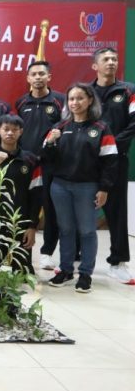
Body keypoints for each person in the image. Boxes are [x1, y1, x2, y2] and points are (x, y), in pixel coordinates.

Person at [44, 83, 118, 293]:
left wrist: (104, 188)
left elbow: (110, 161)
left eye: (80, 98)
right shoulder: (60, 127)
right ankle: (66, 270)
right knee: (66, 229)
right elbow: (47, 158)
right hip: (59, 186)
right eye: (72, 99)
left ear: (90, 100)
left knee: (86, 231)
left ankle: (85, 274)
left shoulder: (101, 128)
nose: (75, 103)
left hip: (87, 187)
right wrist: (50, 143)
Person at [89, 47, 135, 284]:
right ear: (95, 66)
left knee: (117, 212)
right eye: (105, 59)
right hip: (88, 161)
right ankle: (77, 259)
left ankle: (118, 262)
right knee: (82, 210)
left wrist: (112, 145)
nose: (111, 62)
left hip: (116, 159)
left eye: (114, 59)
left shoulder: (129, 90)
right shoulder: (87, 92)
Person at [0, 115, 43, 273]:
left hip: (18, 222)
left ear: (21, 132)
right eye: (6, 129)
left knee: (23, 274)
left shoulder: (31, 160)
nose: (10, 133)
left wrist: (32, 226)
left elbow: (36, 194)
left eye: (15, 130)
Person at [14, 61, 65, 270]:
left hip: (51, 164)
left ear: (49, 77)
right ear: (28, 79)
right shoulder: (21, 102)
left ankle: (47, 252)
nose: (37, 77)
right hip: (25, 164)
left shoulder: (60, 101)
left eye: (41, 74)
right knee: (25, 207)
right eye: (33, 74)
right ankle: (19, 251)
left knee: (50, 209)